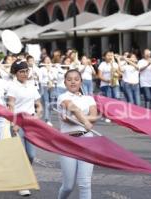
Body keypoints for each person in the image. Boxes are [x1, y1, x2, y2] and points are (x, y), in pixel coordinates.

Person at [57, 69, 98, 199]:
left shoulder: (89, 98)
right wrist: (85, 120)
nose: (73, 82)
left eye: (76, 79)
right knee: (68, 185)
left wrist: (80, 119)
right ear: (65, 82)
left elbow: (94, 116)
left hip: (87, 140)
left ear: (81, 81)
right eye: (69, 79)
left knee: (85, 183)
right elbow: (72, 108)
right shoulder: (62, 97)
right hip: (67, 142)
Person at [8, 60, 43, 197]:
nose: (24, 74)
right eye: (21, 71)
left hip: (30, 122)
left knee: (31, 155)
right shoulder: (12, 86)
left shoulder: (32, 85)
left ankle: (23, 176)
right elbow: (11, 105)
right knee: (21, 154)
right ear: (15, 73)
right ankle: (23, 184)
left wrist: (38, 115)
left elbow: (38, 104)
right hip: (17, 123)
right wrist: (14, 123)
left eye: (26, 71)